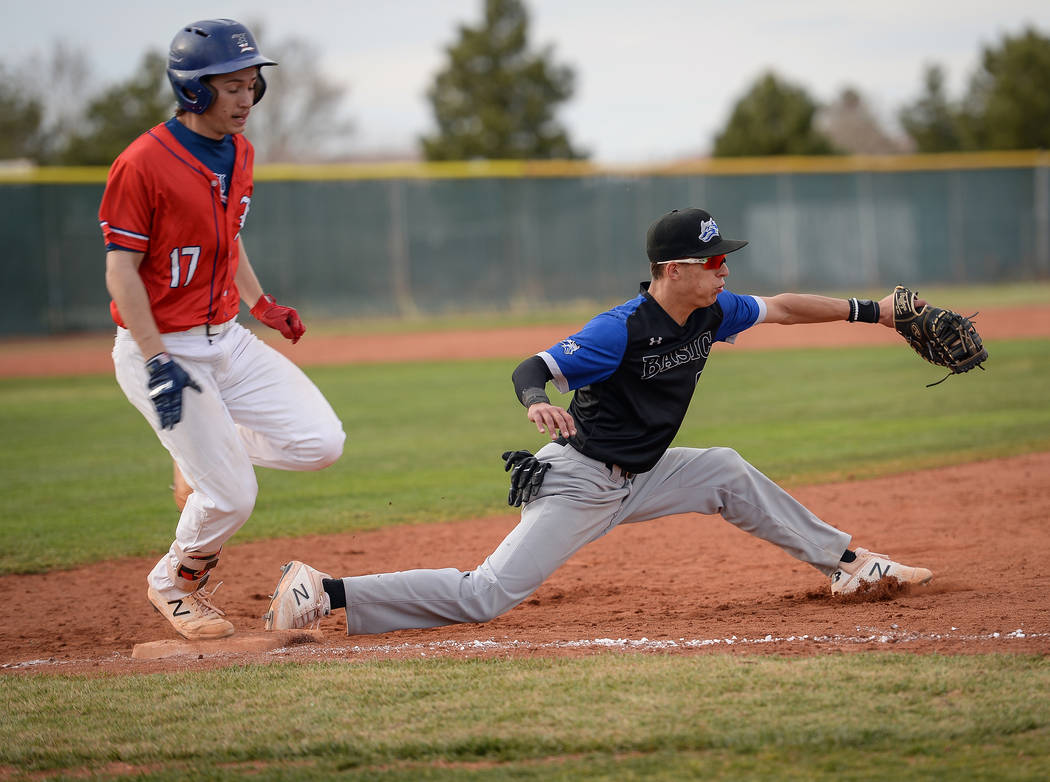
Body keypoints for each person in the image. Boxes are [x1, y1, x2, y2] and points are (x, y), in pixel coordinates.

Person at [263, 207, 931, 634]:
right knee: (486, 595)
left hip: (642, 474)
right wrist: (537, 403)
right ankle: (323, 591)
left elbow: (783, 307)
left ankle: (848, 565)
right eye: (715, 260)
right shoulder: (618, 330)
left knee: (724, 468)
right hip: (580, 478)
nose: (727, 270)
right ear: (674, 269)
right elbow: (531, 368)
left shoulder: (712, 311)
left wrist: (873, 311)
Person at [99, 19, 345, 640]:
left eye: (250, 85)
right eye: (229, 86)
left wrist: (260, 305)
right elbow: (121, 272)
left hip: (226, 337)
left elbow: (228, 238)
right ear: (192, 91)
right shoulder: (141, 163)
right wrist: (157, 361)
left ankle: (205, 453)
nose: (244, 99)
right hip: (163, 348)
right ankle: (173, 582)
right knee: (233, 497)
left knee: (321, 444)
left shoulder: (240, 152)